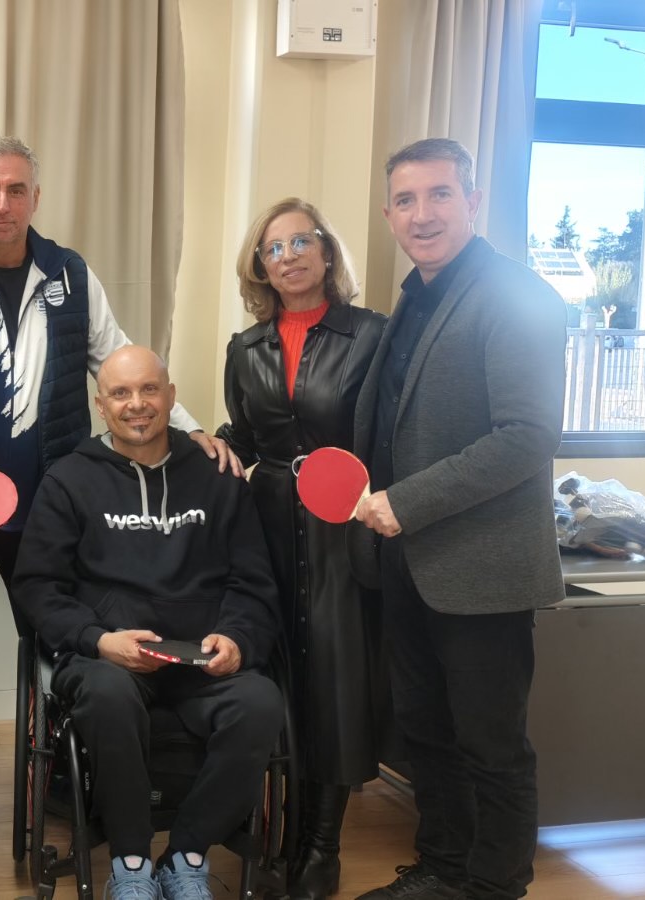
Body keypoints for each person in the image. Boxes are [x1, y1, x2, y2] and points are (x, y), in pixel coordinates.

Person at [0, 136, 235, 833]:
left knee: (64, 637)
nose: (1, 204)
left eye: (15, 190)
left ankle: (65, 778)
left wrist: (190, 429)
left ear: (35, 198)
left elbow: (121, 364)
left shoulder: (69, 274)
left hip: (51, 505)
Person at [350, 138, 566, 900]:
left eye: (440, 194)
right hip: (410, 565)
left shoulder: (518, 297)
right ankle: (443, 869)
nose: (423, 214)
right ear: (388, 215)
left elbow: (526, 437)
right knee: (426, 732)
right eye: (406, 200)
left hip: (482, 570)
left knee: (491, 745)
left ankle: (495, 885)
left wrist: (405, 503)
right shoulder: (413, 298)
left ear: (473, 201)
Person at [11, 345, 283, 900]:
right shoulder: (68, 480)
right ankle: (130, 862)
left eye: (149, 389)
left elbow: (253, 582)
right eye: (120, 393)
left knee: (260, 703)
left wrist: (237, 639)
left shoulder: (218, 475)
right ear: (101, 405)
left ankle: (187, 855)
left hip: (202, 660)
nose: (136, 404)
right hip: (109, 660)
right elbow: (38, 587)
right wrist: (98, 639)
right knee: (107, 696)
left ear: (171, 396)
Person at [211, 198, 388, 900]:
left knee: (335, 684)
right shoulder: (245, 347)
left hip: (345, 525)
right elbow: (245, 438)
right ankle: (275, 831)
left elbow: (384, 434)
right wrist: (208, 443)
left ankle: (320, 846)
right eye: (273, 248)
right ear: (260, 266)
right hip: (268, 528)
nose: (287, 257)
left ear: (326, 250)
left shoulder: (371, 335)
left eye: (300, 242)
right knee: (277, 675)